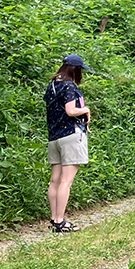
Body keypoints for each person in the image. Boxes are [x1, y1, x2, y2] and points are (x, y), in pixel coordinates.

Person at [44, 53, 92, 233]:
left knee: (54, 181)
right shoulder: (70, 86)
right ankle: (60, 220)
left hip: (54, 137)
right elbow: (71, 110)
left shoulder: (52, 86)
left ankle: (54, 219)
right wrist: (85, 110)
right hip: (71, 135)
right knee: (66, 181)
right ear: (76, 70)